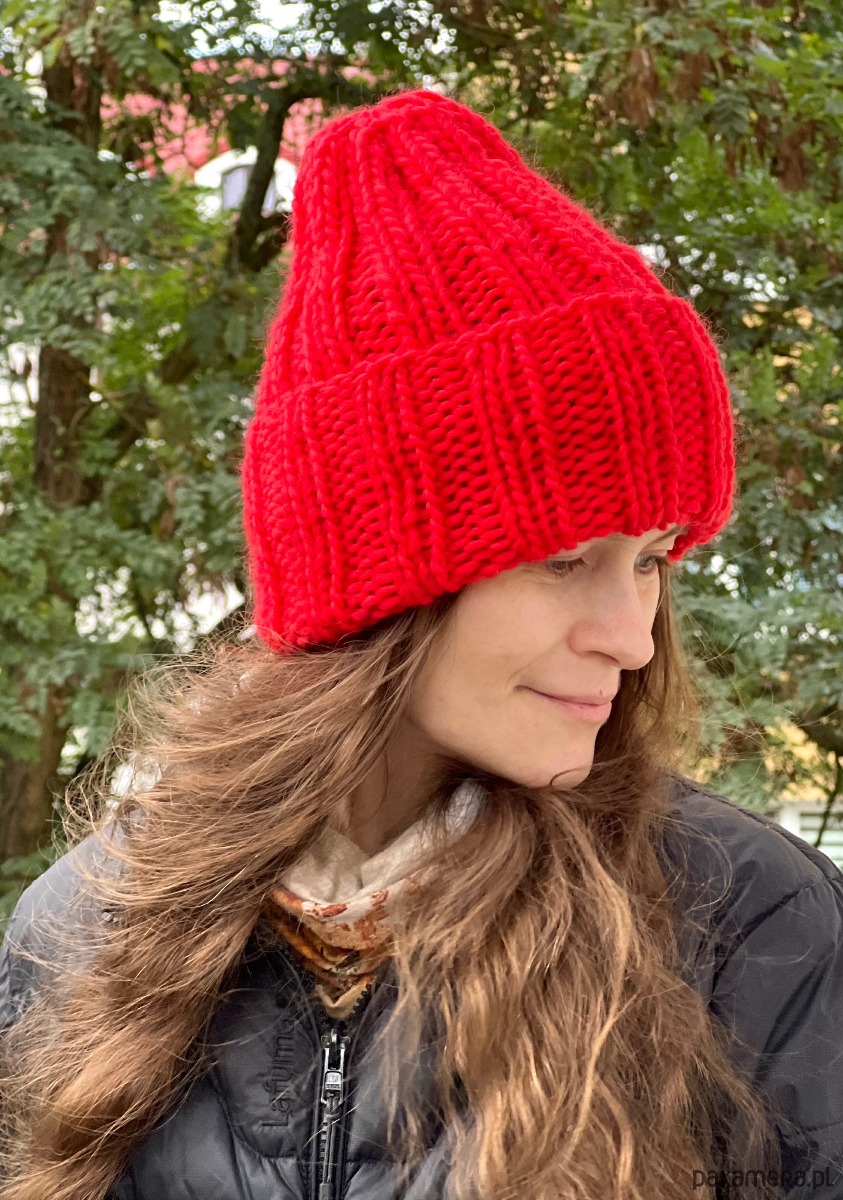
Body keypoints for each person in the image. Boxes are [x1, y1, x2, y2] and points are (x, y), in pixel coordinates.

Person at [0, 87, 841, 1200]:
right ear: (377, 593)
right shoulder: (86, 925)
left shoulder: (742, 920)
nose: (634, 639)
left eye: (652, 559)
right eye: (566, 559)